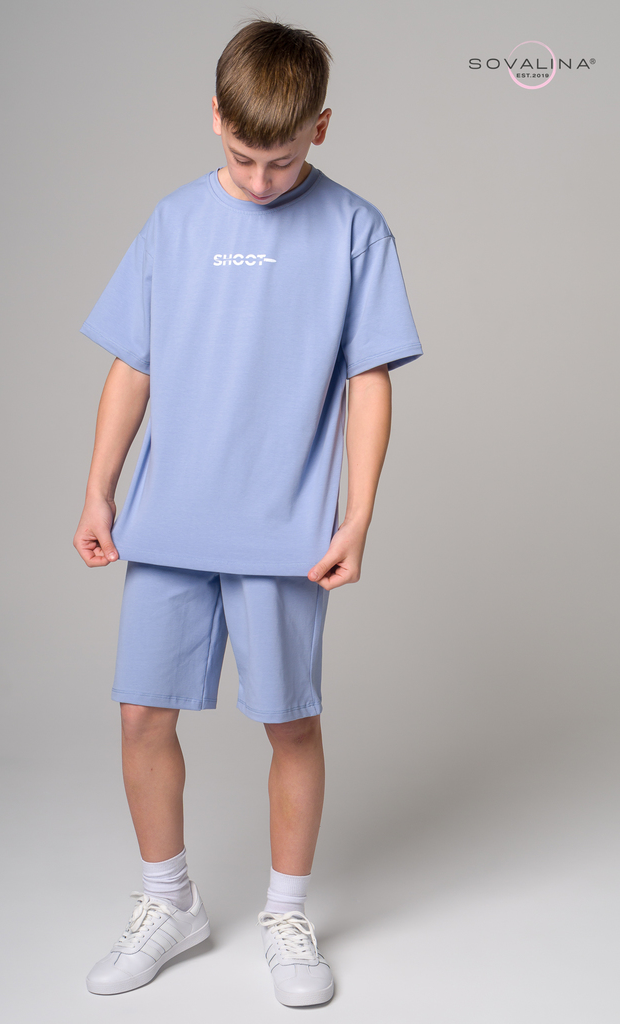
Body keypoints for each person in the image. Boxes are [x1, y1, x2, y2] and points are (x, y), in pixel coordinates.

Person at [73, 16, 423, 1008]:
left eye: (282, 161)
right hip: (171, 519)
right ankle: (168, 903)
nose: (262, 181)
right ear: (215, 119)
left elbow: (367, 380)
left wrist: (357, 516)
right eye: (241, 157)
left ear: (320, 128)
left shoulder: (354, 228)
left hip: (284, 529)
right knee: (142, 713)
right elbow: (132, 364)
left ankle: (285, 912)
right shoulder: (173, 222)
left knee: (289, 721)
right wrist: (98, 487)